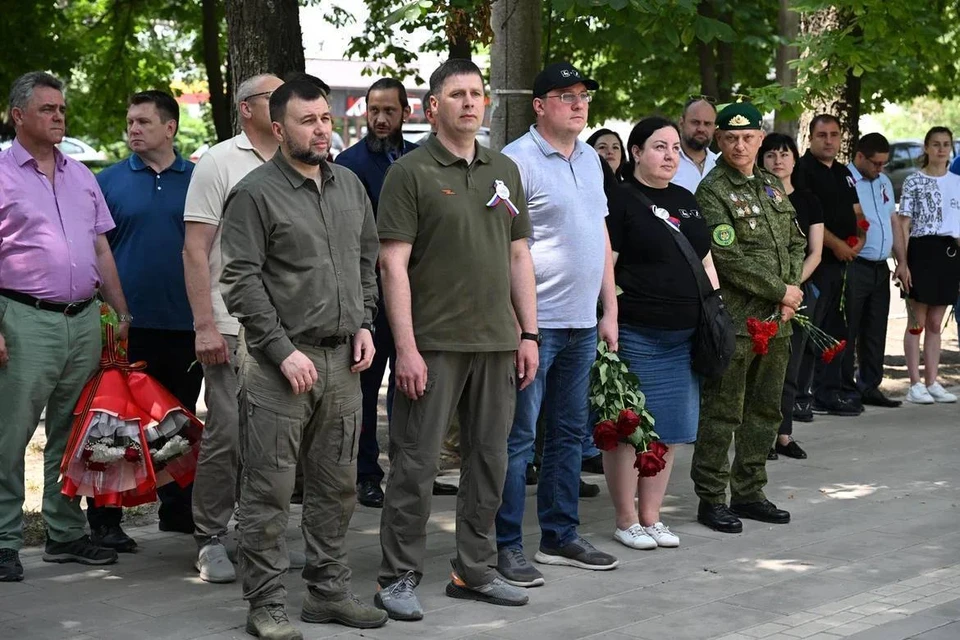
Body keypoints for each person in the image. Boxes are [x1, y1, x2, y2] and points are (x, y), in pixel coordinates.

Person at [220, 78, 387, 637]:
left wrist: (365, 321)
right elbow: (239, 281)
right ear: (277, 129)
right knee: (267, 490)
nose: (322, 128)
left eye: (325, 117)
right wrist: (281, 350)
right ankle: (265, 603)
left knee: (336, 486)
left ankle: (327, 592)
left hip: (343, 365)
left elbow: (367, 259)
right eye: (307, 120)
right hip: (278, 368)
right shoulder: (254, 193)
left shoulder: (351, 187)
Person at [375, 58, 538, 620]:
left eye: (477, 93)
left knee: (489, 460)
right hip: (434, 344)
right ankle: (397, 577)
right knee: (415, 465)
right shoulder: (410, 172)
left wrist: (529, 332)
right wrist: (407, 348)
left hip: (498, 341)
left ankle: (473, 570)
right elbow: (391, 266)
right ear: (432, 107)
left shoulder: (505, 170)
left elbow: (519, 255)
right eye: (457, 94)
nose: (470, 102)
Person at [495, 61, 619, 589]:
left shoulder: (591, 158)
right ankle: (503, 546)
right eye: (565, 95)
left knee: (570, 433)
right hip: (534, 327)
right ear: (539, 104)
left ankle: (559, 535)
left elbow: (601, 238)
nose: (578, 103)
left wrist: (609, 308)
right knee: (518, 438)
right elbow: (502, 248)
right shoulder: (514, 162)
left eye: (583, 95)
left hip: (582, 323)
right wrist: (522, 328)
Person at [0, 71, 128, 581]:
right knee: (9, 437)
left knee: (72, 434)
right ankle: (4, 541)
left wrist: (120, 313)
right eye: (48, 109)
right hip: (23, 319)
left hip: (83, 322)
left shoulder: (81, 176)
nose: (59, 117)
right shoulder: (2, 173)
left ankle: (64, 533)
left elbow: (101, 249)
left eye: (62, 110)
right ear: (18, 116)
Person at [183, 72, 296, 583]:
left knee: (273, 439)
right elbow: (195, 250)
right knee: (228, 432)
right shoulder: (218, 162)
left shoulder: (301, 157)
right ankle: (209, 537)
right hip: (231, 324)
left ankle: (256, 534)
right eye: (276, 98)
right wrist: (205, 325)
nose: (287, 106)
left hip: (289, 328)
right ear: (248, 108)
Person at [84, 90, 201, 552]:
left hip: (186, 322)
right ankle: (105, 520)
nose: (133, 129)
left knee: (176, 423)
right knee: (113, 427)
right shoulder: (106, 181)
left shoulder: (198, 179)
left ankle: (176, 508)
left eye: (143, 122)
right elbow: (93, 251)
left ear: (169, 128)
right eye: (130, 121)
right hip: (124, 325)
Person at [604, 116, 720, 549]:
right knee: (629, 429)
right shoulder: (619, 200)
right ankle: (626, 518)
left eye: (674, 148)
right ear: (636, 152)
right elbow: (606, 266)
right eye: (659, 147)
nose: (670, 155)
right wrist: (609, 317)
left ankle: (652, 516)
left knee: (669, 430)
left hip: (684, 335)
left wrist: (715, 308)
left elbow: (706, 262)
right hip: (637, 333)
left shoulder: (686, 199)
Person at [691, 102, 806, 534]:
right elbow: (728, 257)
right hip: (737, 323)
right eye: (731, 138)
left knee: (765, 409)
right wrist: (782, 291)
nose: (740, 145)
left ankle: (750, 490)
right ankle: (711, 496)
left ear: (761, 139)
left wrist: (789, 294)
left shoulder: (771, 186)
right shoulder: (713, 190)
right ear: (720, 140)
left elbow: (794, 242)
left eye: (749, 137)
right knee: (724, 411)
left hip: (778, 320)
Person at [335, 78, 418, 509]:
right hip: (368, 298)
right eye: (373, 110)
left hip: (415, 297)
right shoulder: (347, 164)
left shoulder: (422, 160)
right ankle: (366, 474)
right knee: (365, 393)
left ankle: (412, 471)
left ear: (407, 112)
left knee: (414, 391)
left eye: (389, 110)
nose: (381, 118)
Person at [793, 114, 864, 417]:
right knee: (810, 332)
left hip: (843, 266)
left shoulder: (844, 172)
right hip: (816, 265)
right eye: (822, 135)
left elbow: (858, 211)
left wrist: (860, 238)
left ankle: (828, 393)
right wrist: (837, 245)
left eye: (834, 134)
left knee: (836, 331)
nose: (829, 140)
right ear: (811, 137)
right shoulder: (802, 170)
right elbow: (809, 220)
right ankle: (798, 396)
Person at [759, 133, 823, 461]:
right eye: (770, 155)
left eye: (784, 154)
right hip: (759, 292)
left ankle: (784, 434)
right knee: (760, 368)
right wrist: (774, 288)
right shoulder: (755, 198)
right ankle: (761, 437)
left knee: (789, 366)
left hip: (796, 294)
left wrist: (791, 289)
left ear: (795, 159)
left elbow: (815, 252)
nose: (777, 160)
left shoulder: (809, 200)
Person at [893, 126, 960, 404]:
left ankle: (933, 382)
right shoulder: (913, 181)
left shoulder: (957, 182)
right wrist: (903, 263)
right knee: (916, 322)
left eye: (945, 144)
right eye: (935, 144)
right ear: (926, 147)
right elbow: (904, 224)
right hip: (922, 250)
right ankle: (915, 383)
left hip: (949, 253)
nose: (941, 149)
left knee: (936, 323)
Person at [843, 133, 902, 408]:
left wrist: (902, 262)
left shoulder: (884, 181)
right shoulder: (844, 180)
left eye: (884, 164)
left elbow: (894, 223)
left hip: (881, 266)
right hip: (855, 266)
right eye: (876, 163)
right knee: (849, 327)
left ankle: (870, 385)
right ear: (860, 157)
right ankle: (844, 387)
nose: (880, 169)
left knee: (876, 329)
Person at [672, 96, 718, 194]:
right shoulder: (666, 161)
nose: (701, 129)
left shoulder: (719, 164)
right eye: (695, 122)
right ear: (681, 123)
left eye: (707, 124)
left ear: (714, 127)